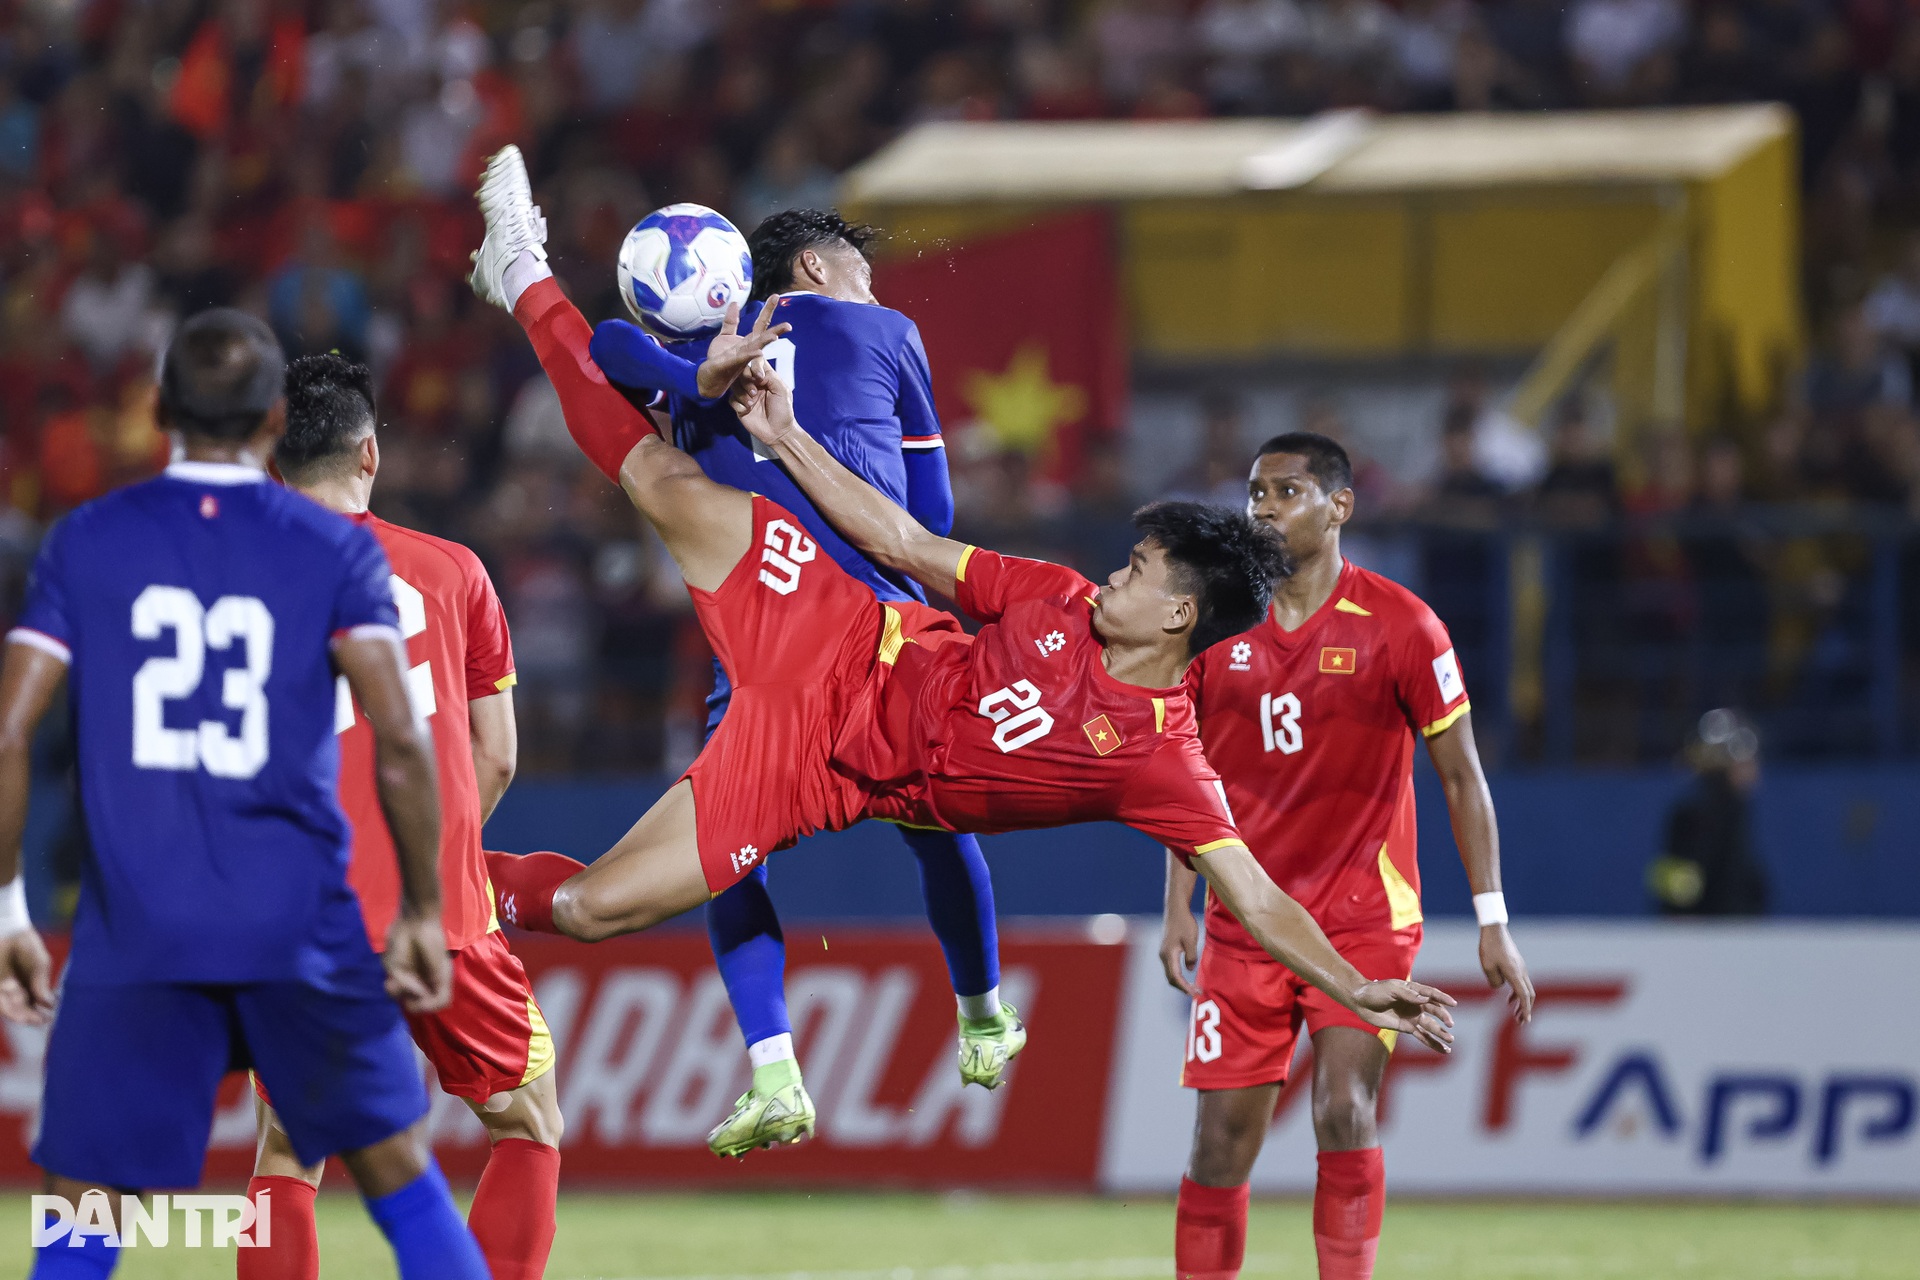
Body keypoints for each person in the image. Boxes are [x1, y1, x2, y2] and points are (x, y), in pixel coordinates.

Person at [464, 146, 1459, 1074]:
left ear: (1180, 618)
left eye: (1141, 570)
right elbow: (906, 542)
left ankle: (435, 871)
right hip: (835, 627)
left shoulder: (1164, 762)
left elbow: (1260, 897)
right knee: (654, 474)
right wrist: (784, 433)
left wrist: (1351, 982)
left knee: (596, 908)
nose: (1113, 575)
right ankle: (521, 271)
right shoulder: (1056, 595)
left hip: (818, 771)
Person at [0, 310, 489, 1280]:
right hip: (295, 916)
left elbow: (10, 730)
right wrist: (428, 909)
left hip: (138, 922)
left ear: (164, 411)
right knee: (396, 1164)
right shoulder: (334, 551)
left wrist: (10, 907)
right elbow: (399, 736)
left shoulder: (86, 541)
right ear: (274, 418)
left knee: (85, 1202)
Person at [585, 206, 1010, 1159]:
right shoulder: (887, 332)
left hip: (760, 644)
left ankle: (774, 1070)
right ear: (814, 267)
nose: (876, 285)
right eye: (862, 268)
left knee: (732, 857)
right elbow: (931, 514)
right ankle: (982, 1014)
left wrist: (691, 380)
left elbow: (601, 347)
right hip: (881, 637)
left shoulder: (692, 354)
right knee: (937, 825)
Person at [1161, 432, 1534, 1280]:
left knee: (1342, 1106)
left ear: (1340, 507)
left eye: (1286, 492)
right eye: (1255, 493)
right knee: (1218, 1146)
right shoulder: (1217, 633)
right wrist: (1178, 904)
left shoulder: (1404, 625)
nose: (1262, 509)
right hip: (1244, 922)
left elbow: (1464, 777)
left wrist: (1492, 919)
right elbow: (1185, 780)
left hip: (1363, 919)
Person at [239, 353, 562, 1280]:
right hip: (444, 920)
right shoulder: (454, 573)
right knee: (528, 1122)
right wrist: (440, 849)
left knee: (289, 1145)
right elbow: (494, 754)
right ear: (371, 454)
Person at [1648, 708, 1768, 916]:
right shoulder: (1711, 812)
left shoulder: (1704, 809)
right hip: (1712, 932)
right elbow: (1720, 881)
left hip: (1714, 930)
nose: (1754, 768)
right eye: (1747, 760)